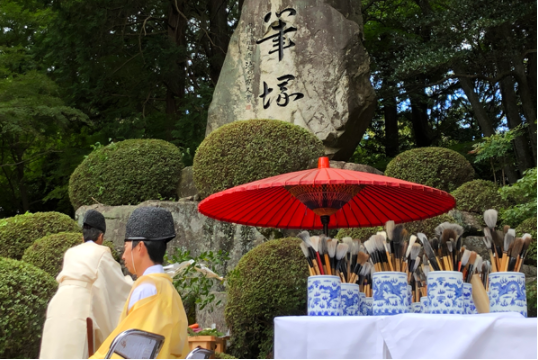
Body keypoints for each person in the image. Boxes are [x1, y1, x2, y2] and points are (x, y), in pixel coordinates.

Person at [91, 207, 189, 359]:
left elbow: (130, 352)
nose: (123, 256)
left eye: (126, 248)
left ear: (140, 247)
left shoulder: (146, 289)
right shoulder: (170, 290)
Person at [40, 210, 132, 359]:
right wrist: (132, 283)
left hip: (58, 305)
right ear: (101, 236)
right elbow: (117, 286)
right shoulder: (101, 252)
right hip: (80, 307)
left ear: (82, 236)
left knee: (55, 350)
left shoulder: (70, 252)